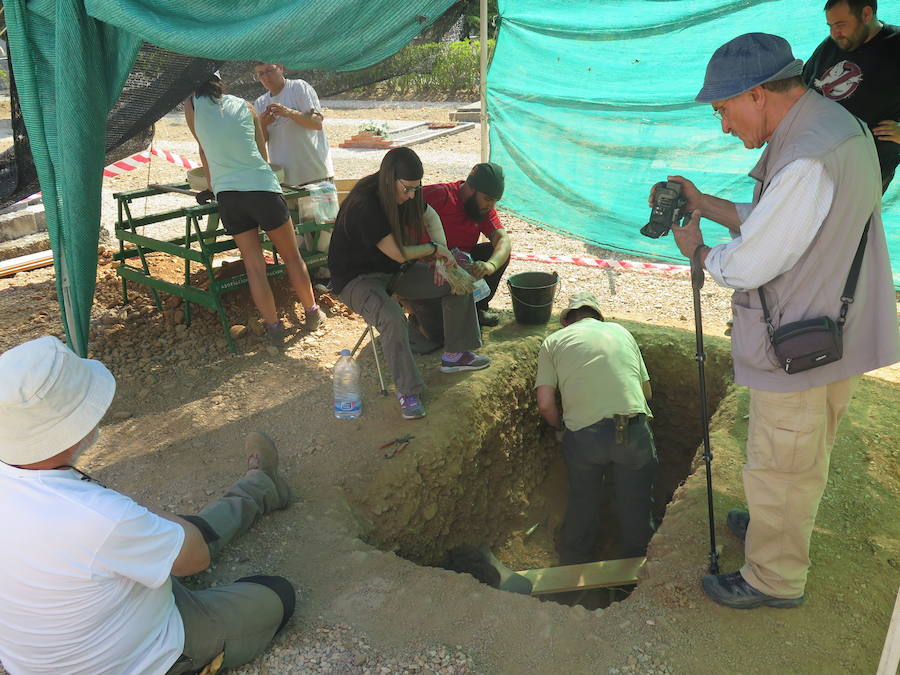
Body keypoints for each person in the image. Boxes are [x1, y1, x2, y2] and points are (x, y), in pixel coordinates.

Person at [661, 33, 898, 609]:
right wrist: (706, 202)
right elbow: (782, 220)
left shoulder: (806, 159)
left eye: (723, 109)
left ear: (757, 93)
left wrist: (696, 251)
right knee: (798, 457)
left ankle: (773, 579)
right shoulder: (837, 128)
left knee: (781, 462)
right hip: (830, 328)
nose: (722, 125)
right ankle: (775, 527)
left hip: (800, 342)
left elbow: (751, 261)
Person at [0, 336, 297, 674]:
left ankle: (261, 488)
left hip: (46, 659)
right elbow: (194, 558)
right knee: (277, 592)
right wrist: (131, 511)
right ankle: (260, 489)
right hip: (147, 653)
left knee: (169, 536)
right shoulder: (100, 516)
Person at [327, 147, 490, 420]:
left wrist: (444, 259)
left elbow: (431, 216)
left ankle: (456, 354)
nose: (413, 195)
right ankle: (408, 391)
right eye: (408, 190)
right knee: (392, 318)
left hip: (392, 270)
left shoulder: (406, 190)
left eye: (417, 188)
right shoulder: (365, 203)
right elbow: (399, 252)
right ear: (390, 179)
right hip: (356, 279)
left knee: (457, 279)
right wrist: (433, 248)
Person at [185, 73, 325, 345]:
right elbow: (263, 157)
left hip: (229, 196)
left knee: (254, 266)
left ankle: (273, 328)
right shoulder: (246, 106)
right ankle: (312, 313)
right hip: (262, 188)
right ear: (221, 83)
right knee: (292, 258)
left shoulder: (191, 106)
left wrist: (215, 186)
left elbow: (203, 150)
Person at [534, 292, 656, 565]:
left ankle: (574, 565)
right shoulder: (621, 332)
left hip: (583, 436)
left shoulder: (553, 341)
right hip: (631, 428)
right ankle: (636, 574)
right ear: (600, 317)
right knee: (635, 505)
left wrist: (560, 429)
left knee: (583, 501)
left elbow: (545, 404)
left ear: (567, 321)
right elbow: (646, 393)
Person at [803, 0, 900, 192]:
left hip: (867, 171)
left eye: (840, 25)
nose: (834, 33)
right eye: (830, 26)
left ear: (866, 14)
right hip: (818, 162)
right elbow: (801, 88)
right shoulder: (830, 46)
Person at [253, 62, 334, 188]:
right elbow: (261, 142)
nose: (266, 77)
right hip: (285, 180)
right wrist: (262, 125)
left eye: (270, 70)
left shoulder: (298, 87)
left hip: (315, 176)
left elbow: (317, 123)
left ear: (280, 68)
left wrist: (288, 113)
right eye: (261, 74)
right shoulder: (260, 102)